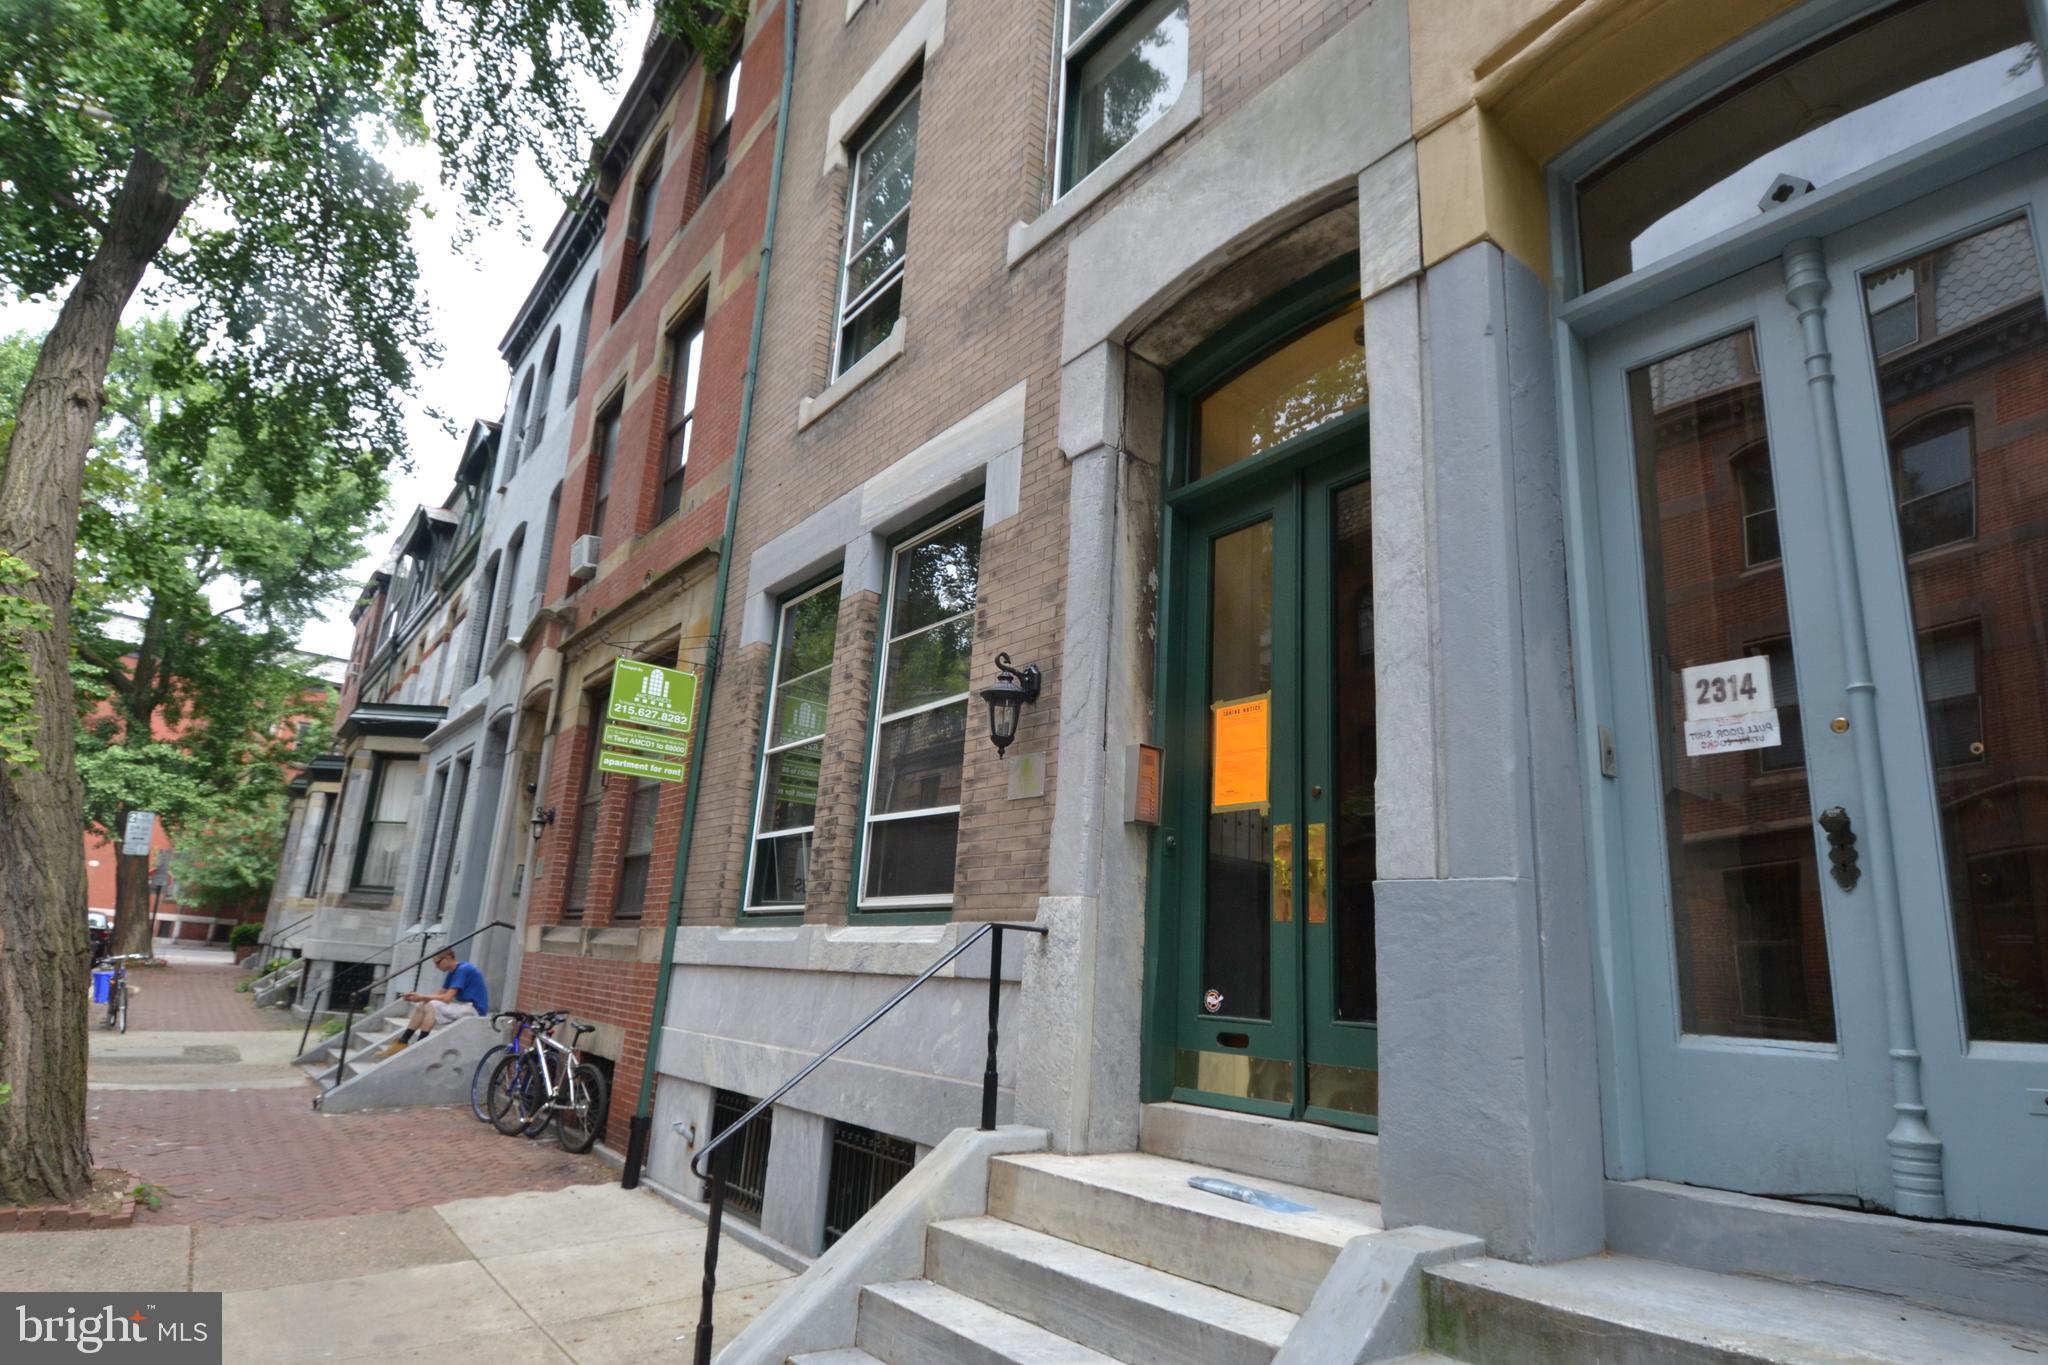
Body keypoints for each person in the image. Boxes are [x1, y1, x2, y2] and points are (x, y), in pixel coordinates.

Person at [381, 948, 489, 1056]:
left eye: (437, 963)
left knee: (431, 1005)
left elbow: (447, 998)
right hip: (465, 1007)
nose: (436, 966)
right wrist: (416, 997)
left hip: (475, 1010)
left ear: (447, 958)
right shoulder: (453, 972)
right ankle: (402, 1042)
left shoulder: (463, 969)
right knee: (424, 1004)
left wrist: (422, 996)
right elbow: (438, 995)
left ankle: (421, 1044)